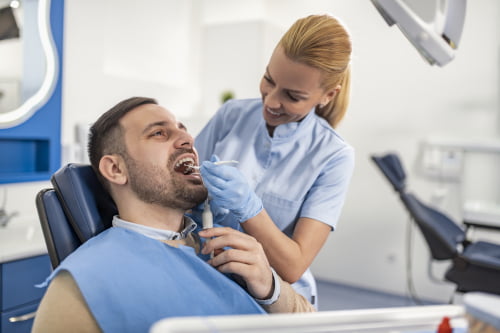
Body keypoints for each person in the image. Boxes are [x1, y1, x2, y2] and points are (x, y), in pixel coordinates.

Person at [32, 97, 315, 333]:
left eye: (183, 130)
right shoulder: (83, 283)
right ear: (116, 170)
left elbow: (312, 321)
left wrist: (269, 287)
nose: (188, 139)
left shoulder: (227, 242)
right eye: (159, 133)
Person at [195, 14, 355, 307]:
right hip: (209, 273)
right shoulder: (231, 115)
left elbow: (293, 266)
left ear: (327, 95)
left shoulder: (333, 156)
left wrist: (249, 208)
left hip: (273, 293)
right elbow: (185, 187)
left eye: (293, 96)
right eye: (269, 79)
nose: (270, 101)